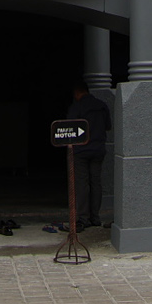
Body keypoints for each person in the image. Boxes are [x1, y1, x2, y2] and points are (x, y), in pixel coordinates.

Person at [64, 83, 110, 233]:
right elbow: (108, 126)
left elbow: (70, 128)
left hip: (81, 150)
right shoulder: (101, 105)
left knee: (82, 184)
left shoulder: (77, 107)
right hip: (98, 149)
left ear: (77, 93)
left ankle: (83, 218)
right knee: (96, 182)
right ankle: (95, 217)